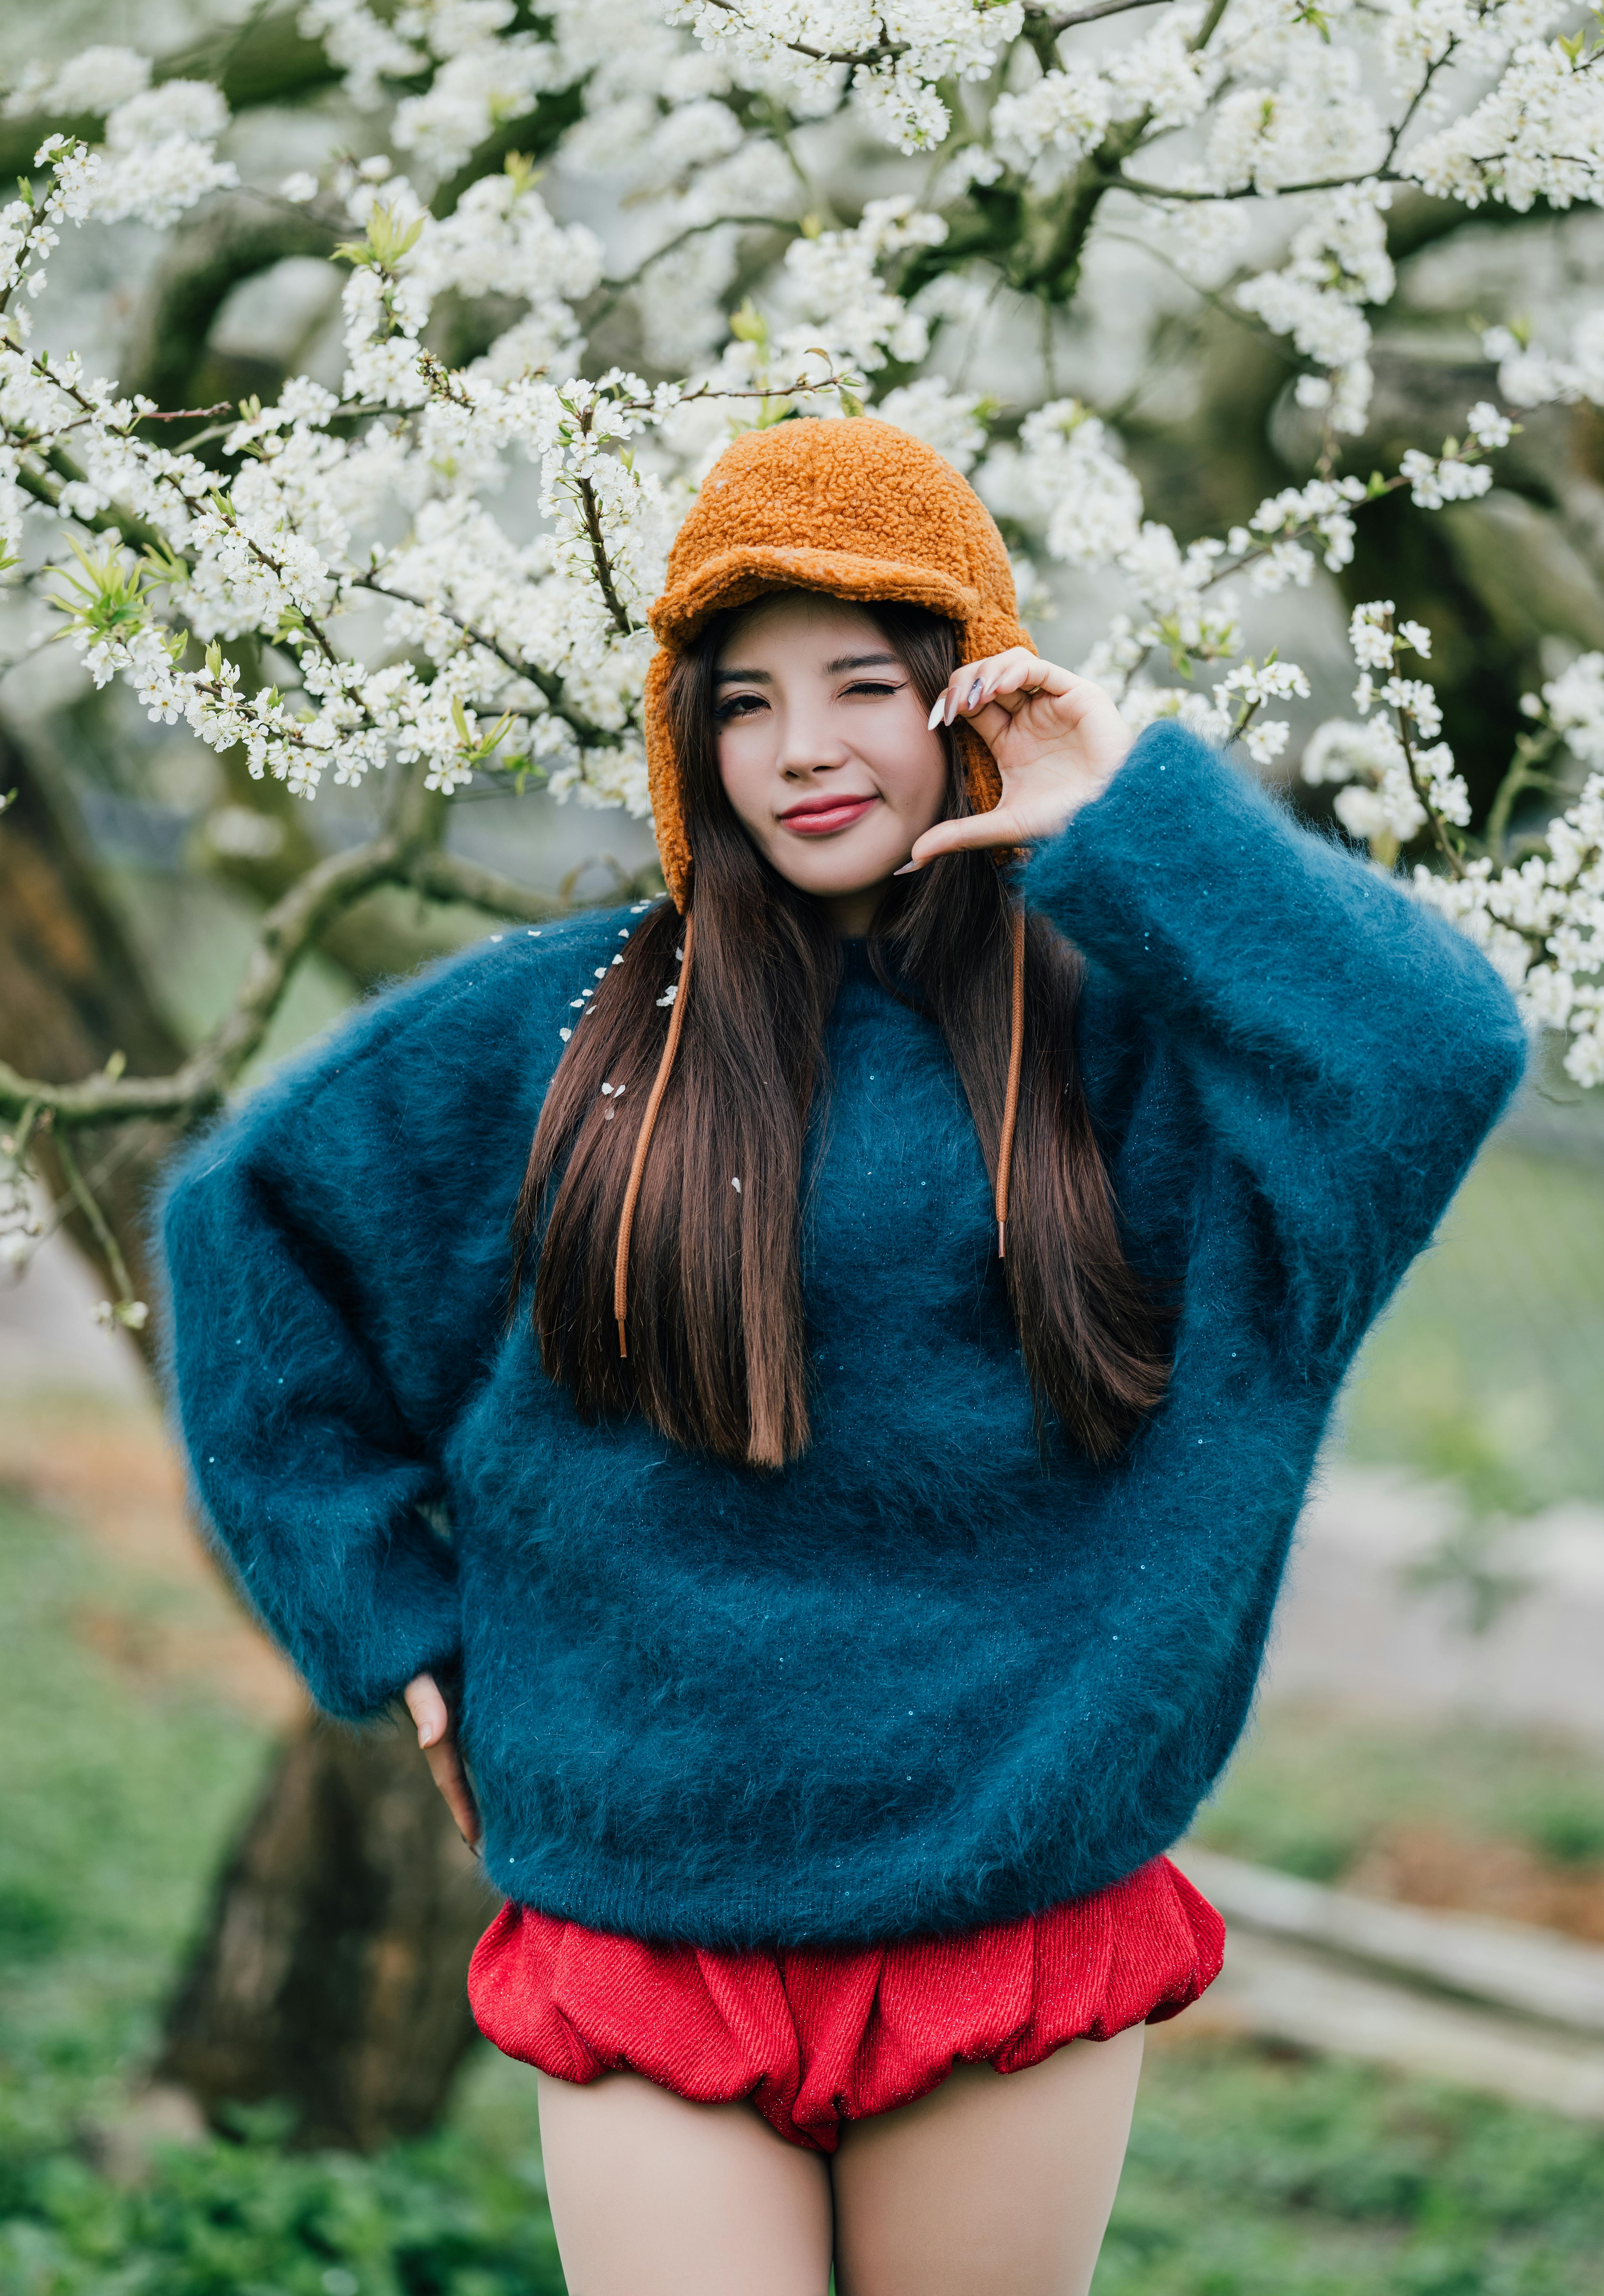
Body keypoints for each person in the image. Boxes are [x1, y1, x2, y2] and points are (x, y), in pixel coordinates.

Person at [163, 415, 1527, 2296]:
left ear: (970, 691)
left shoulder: (1141, 1046)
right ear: (687, 738)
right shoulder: (563, 1029)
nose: (803, 749)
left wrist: (1126, 819)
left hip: (1004, 1886)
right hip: (649, 1896)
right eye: (745, 701)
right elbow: (248, 1239)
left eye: (866, 685)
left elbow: (1433, 1058)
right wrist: (383, 1620)